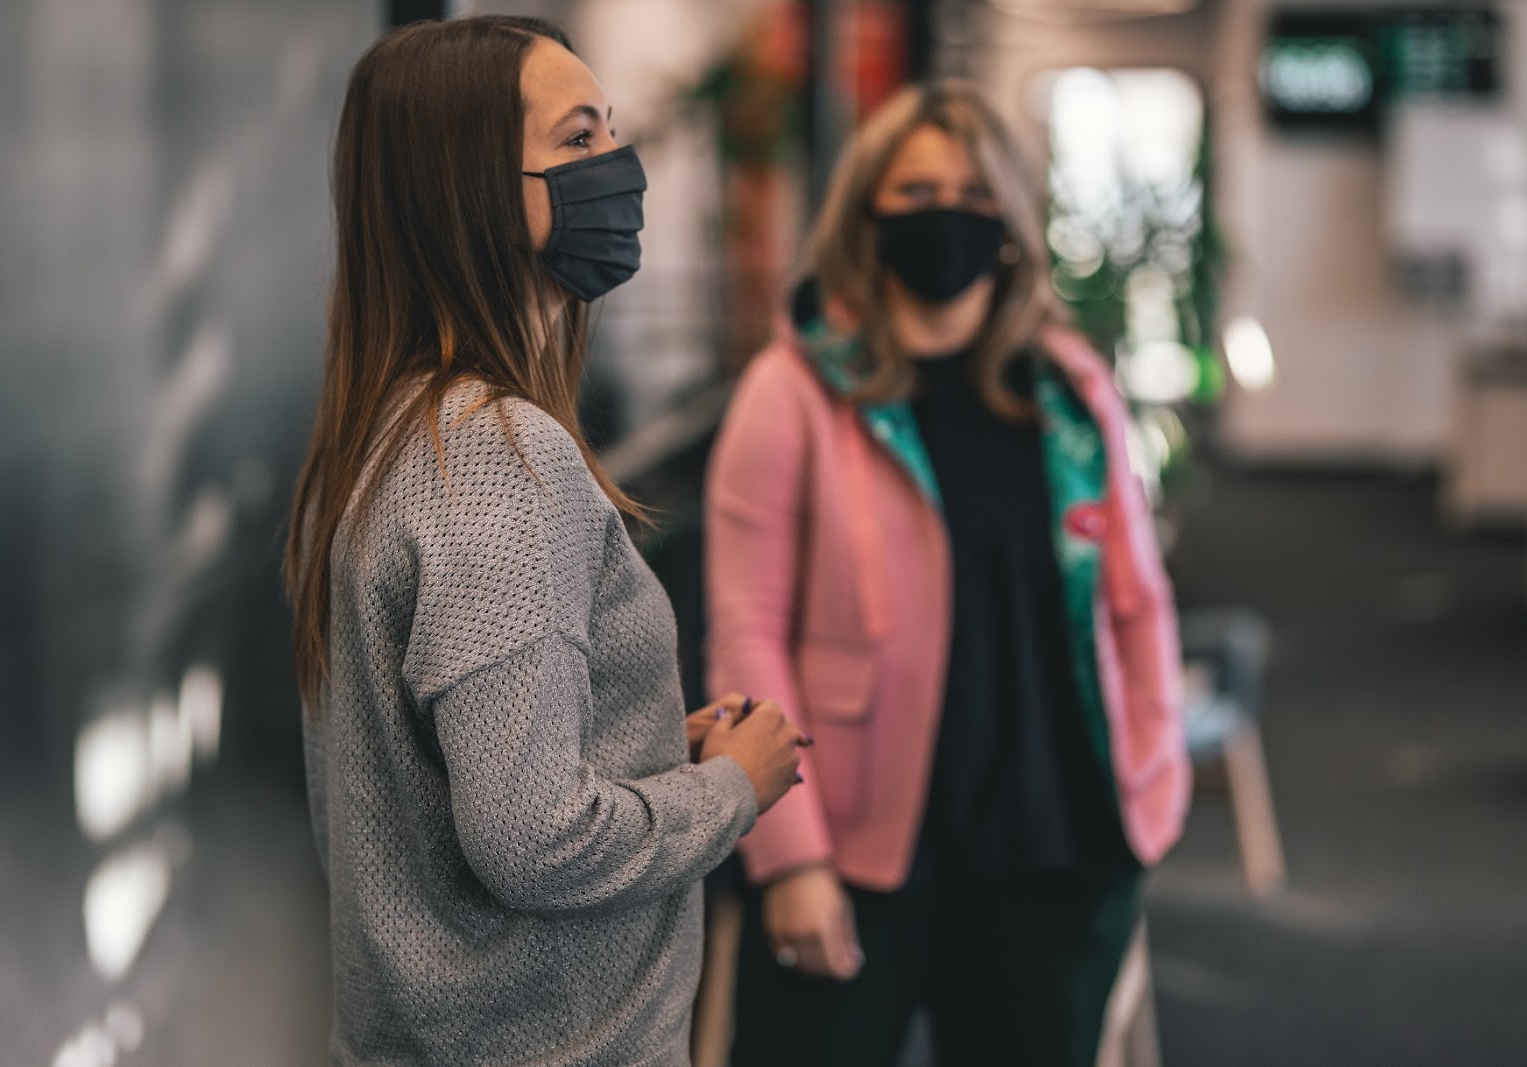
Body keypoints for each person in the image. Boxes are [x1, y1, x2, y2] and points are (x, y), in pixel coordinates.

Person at [283, 17, 806, 1066]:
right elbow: (534, 839)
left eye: (610, 131)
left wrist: (651, 742)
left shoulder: (409, 431)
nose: (618, 165)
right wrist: (729, 788)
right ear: (472, 186)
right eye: (578, 139)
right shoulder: (494, 460)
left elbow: (461, 774)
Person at [705, 80, 1191, 1066]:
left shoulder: (1066, 388)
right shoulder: (795, 386)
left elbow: (1136, 603)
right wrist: (787, 850)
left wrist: (1151, 782)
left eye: (971, 192)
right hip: (852, 849)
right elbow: (745, 630)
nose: (944, 215)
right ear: (866, 213)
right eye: (914, 189)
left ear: (1010, 220)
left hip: (1056, 843)